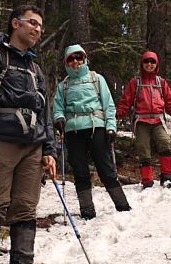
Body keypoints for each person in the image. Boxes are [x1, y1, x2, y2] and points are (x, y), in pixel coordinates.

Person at [0, 4, 57, 264]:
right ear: (14, 24)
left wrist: (49, 150)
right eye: (32, 23)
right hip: (2, 142)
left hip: (32, 145)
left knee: (26, 205)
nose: (36, 29)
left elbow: (44, 112)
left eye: (40, 26)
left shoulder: (35, 68)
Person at [52, 44, 131, 219]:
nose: (75, 61)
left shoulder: (97, 79)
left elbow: (109, 105)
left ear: (84, 59)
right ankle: (87, 209)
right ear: (66, 62)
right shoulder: (63, 85)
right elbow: (58, 108)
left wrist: (111, 128)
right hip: (73, 132)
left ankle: (122, 205)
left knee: (106, 168)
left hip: (97, 128)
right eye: (71, 58)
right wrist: (59, 119)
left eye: (78, 57)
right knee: (80, 171)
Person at [116, 50, 171, 188]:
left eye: (152, 62)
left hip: (158, 120)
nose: (149, 64)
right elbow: (125, 103)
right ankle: (147, 180)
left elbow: (169, 103)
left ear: (156, 64)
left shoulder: (161, 82)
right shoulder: (135, 83)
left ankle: (166, 177)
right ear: (142, 64)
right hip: (141, 121)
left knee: (165, 142)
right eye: (146, 62)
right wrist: (117, 114)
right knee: (143, 148)